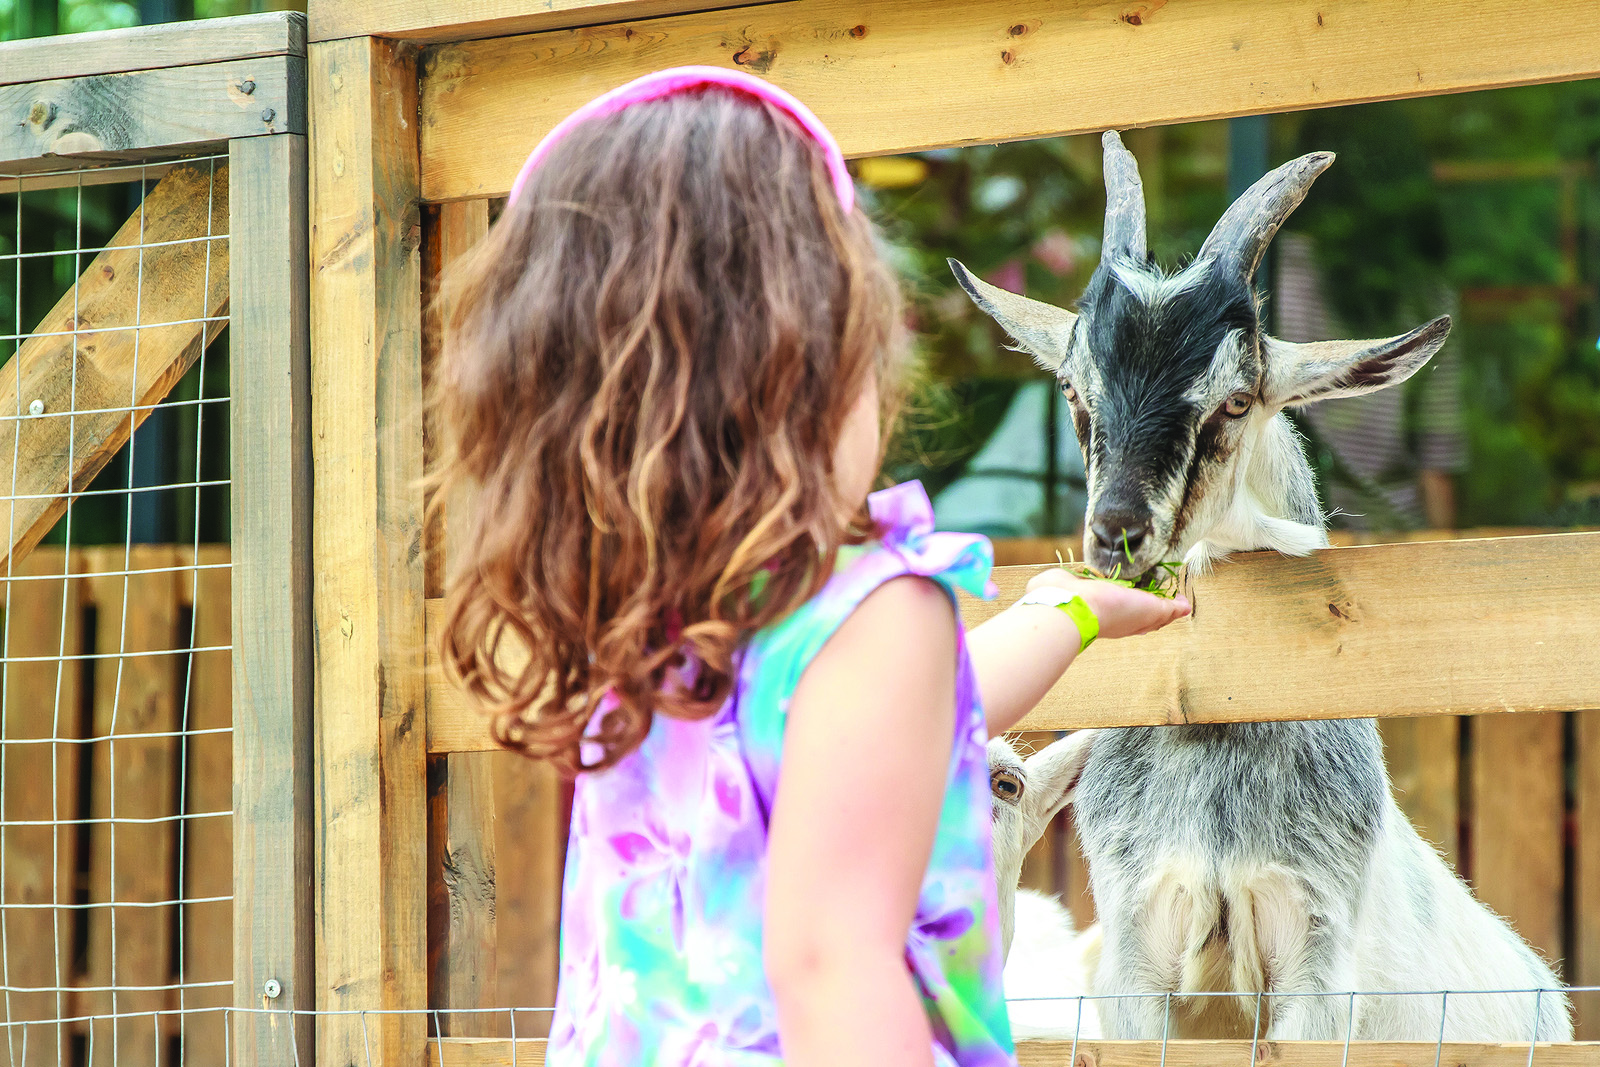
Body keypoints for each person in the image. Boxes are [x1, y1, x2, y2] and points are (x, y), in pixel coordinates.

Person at [431, 67, 1189, 1067]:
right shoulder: (874, 616)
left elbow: (896, 725)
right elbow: (834, 965)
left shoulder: (653, 617)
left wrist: (1067, 613)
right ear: (804, 368)